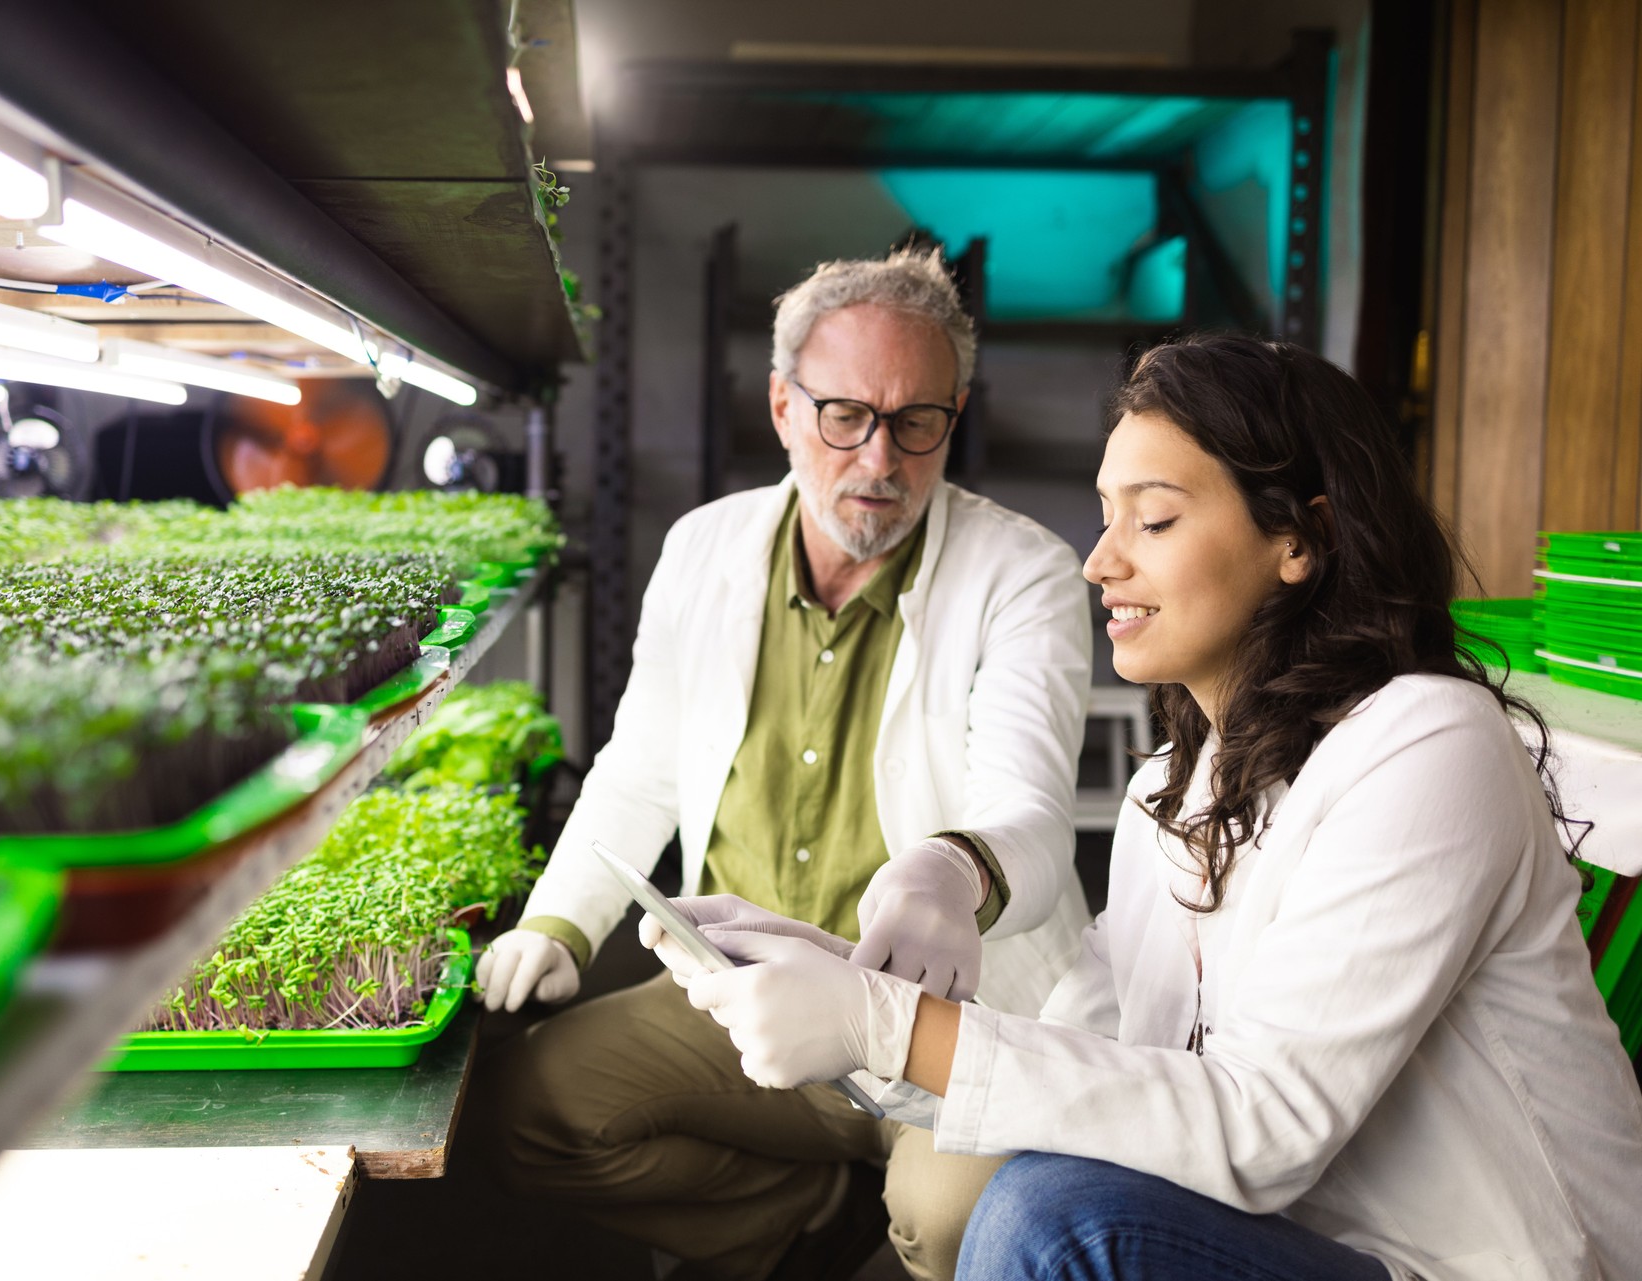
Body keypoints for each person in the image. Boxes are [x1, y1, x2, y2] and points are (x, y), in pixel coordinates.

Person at [646, 334, 1642, 1280]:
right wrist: (836, 983)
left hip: (1475, 1264)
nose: (1101, 561)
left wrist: (886, 1022)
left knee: (1053, 1220)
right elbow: (1091, 1073)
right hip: (1294, 1246)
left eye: (1153, 520)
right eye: (1107, 514)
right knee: (1041, 1184)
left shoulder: (1428, 744)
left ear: (1303, 536)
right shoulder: (1173, 789)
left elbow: (1267, 1127)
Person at [475, 246, 1095, 1280]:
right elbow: (643, 768)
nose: (881, 461)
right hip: (745, 994)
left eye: (916, 422)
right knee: (530, 1114)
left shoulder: (1020, 573)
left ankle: (881, 1225)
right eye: (844, 415)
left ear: (957, 413)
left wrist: (955, 874)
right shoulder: (704, 550)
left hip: (945, 1021)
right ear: (781, 406)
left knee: (954, 1228)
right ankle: (805, 1217)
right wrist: (559, 919)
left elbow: (1029, 813)